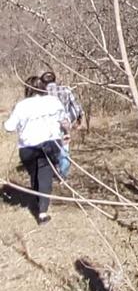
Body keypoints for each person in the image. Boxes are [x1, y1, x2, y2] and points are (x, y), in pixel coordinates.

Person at [4, 76, 69, 223]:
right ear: (43, 88)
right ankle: (42, 210)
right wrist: (65, 133)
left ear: (27, 89)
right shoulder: (53, 101)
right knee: (44, 176)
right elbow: (64, 120)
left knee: (36, 174)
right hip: (51, 143)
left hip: (28, 147)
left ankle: (40, 206)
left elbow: (9, 127)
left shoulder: (22, 105)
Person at [40, 70, 83, 180]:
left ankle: (51, 171)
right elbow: (77, 107)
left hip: (46, 125)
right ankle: (62, 175)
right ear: (55, 79)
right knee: (64, 149)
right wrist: (78, 118)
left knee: (48, 149)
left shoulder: (40, 92)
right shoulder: (66, 90)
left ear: (43, 81)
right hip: (64, 124)